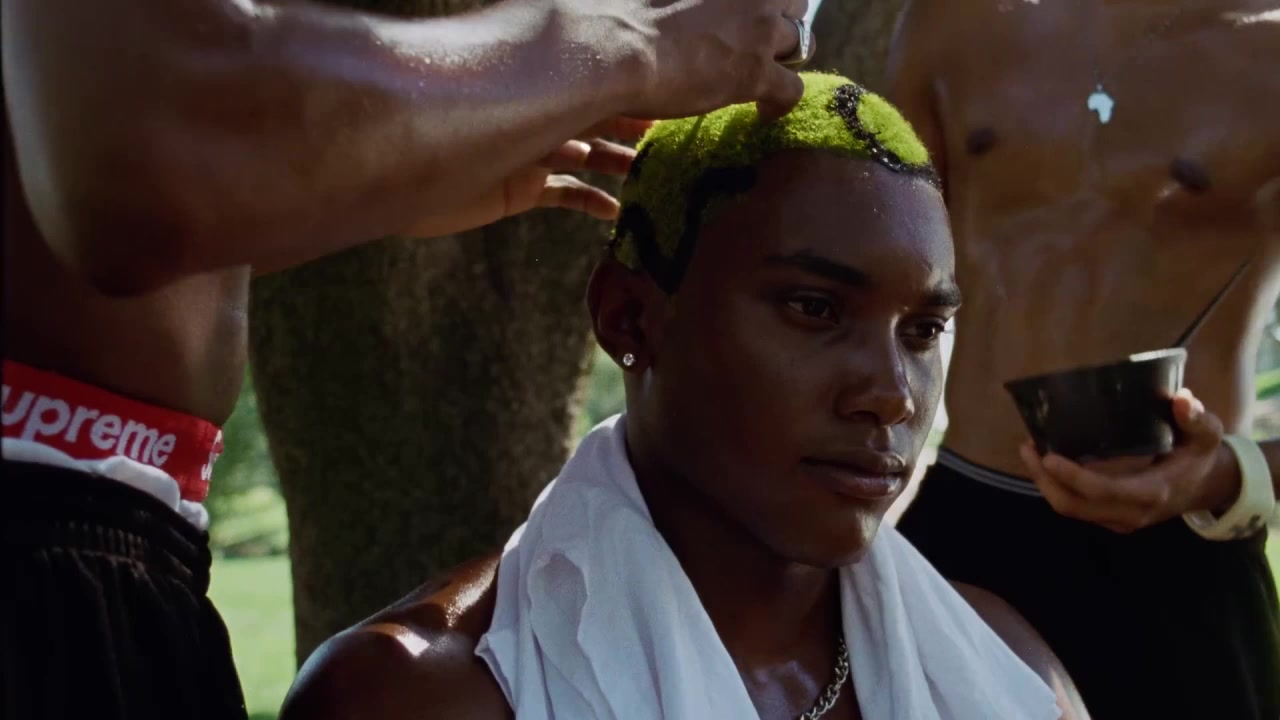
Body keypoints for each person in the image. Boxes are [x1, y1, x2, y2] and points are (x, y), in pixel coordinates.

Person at [1, 0, 819, 717]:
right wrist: (618, 43)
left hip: (116, 545)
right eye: (812, 307)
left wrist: (373, 163)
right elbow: (138, 160)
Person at [279, 72, 1090, 720]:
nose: (891, 395)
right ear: (629, 318)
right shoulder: (426, 694)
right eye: (814, 308)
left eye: (922, 329)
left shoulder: (1007, 672)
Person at [883, 1, 1280, 718]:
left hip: (1184, 556)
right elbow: (867, 268)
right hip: (962, 530)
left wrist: (1229, 474)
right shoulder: (951, 21)